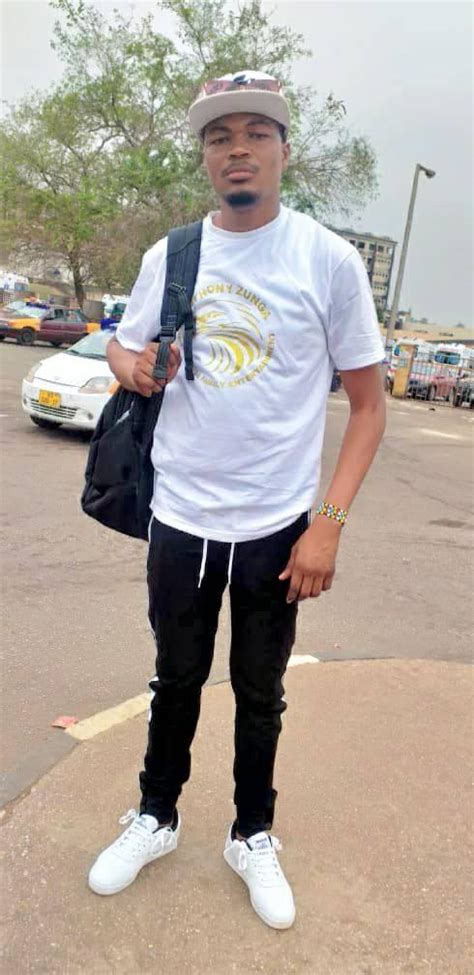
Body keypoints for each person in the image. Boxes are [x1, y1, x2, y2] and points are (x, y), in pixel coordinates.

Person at [88, 70, 386, 929]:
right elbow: (121, 348)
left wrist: (327, 525)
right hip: (181, 514)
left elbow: (368, 407)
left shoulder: (326, 260)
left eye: (257, 133)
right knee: (175, 677)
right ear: (206, 157)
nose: (238, 149)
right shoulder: (174, 254)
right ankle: (156, 816)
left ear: (285, 151)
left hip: (276, 525)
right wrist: (137, 370)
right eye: (220, 137)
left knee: (261, 691)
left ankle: (251, 833)